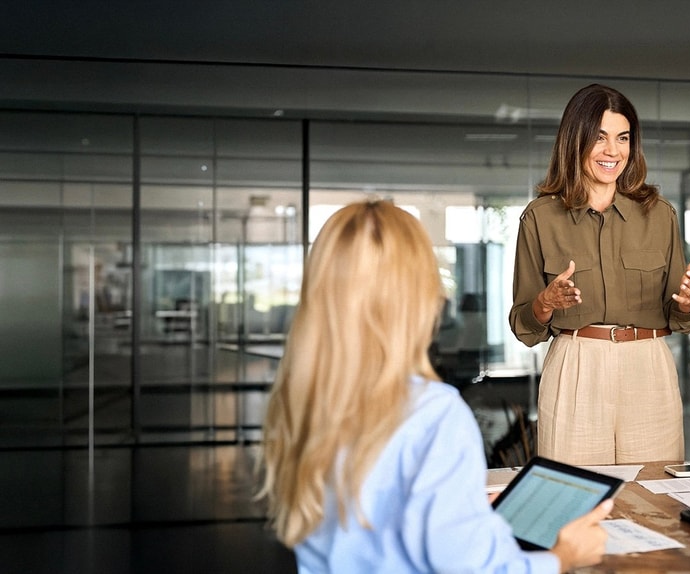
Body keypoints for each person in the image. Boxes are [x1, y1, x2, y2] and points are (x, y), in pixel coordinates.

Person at [258, 201, 611, 573]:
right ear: (417, 296)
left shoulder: (303, 401)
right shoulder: (432, 413)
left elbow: (372, 510)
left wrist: (462, 504)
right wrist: (562, 557)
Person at [509, 84, 690, 465]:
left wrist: (688, 303)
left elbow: (682, 319)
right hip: (575, 364)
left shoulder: (659, 214)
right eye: (599, 138)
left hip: (648, 366)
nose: (612, 151)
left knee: (654, 494)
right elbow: (523, 326)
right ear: (574, 142)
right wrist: (545, 303)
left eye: (622, 138)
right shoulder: (539, 218)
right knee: (572, 494)